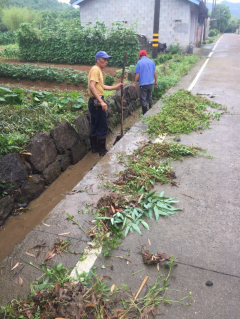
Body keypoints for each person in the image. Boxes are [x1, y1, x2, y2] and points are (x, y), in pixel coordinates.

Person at [88, 51, 123, 156]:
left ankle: (95, 149)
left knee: (94, 125)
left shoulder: (97, 70)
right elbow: (92, 86)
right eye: (104, 59)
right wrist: (101, 101)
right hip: (97, 102)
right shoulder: (95, 69)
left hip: (93, 101)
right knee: (102, 126)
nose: (106, 62)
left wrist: (116, 87)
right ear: (98, 60)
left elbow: (101, 86)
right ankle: (102, 151)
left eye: (107, 60)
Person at [132, 50, 158, 115]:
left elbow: (138, 74)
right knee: (149, 96)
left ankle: (145, 113)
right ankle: (151, 111)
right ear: (146, 55)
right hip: (150, 83)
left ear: (139, 56)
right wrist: (156, 81)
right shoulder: (151, 61)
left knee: (143, 99)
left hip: (143, 84)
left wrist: (134, 83)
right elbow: (154, 72)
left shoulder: (139, 62)